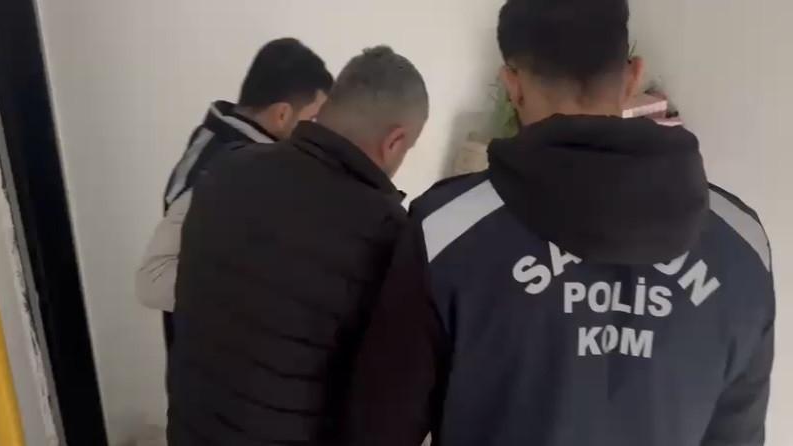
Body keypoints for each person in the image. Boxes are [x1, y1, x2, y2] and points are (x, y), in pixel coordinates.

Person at [346, 1, 775, 446]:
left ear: (513, 85)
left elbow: (378, 430)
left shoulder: (445, 232)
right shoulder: (742, 246)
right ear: (633, 76)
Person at [166, 46, 429, 445]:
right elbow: (379, 404)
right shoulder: (388, 235)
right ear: (396, 141)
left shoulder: (226, 168)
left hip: (191, 429)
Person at [135, 38, 333, 347]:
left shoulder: (232, 147)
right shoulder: (216, 170)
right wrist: (260, 286)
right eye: (313, 120)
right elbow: (153, 280)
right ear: (282, 114)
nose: (319, 132)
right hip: (211, 356)